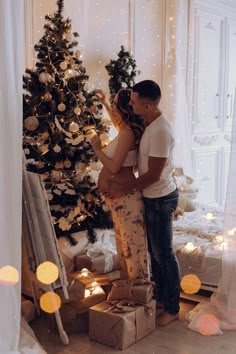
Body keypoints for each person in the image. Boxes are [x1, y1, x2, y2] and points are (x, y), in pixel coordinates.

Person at [106, 80, 180, 326]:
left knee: (164, 255)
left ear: (147, 105)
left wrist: (122, 188)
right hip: (152, 197)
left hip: (160, 199)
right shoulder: (150, 123)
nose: (131, 103)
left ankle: (172, 307)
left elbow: (153, 176)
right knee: (156, 254)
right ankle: (160, 299)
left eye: (135, 101)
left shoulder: (160, 131)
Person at [90, 88, 149, 281]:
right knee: (123, 247)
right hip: (118, 200)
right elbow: (117, 122)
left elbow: (114, 167)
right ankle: (129, 292)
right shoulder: (124, 130)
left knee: (133, 249)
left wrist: (98, 150)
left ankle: (139, 294)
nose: (113, 108)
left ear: (125, 108)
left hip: (127, 199)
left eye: (116, 104)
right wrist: (105, 103)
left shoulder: (128, 134)